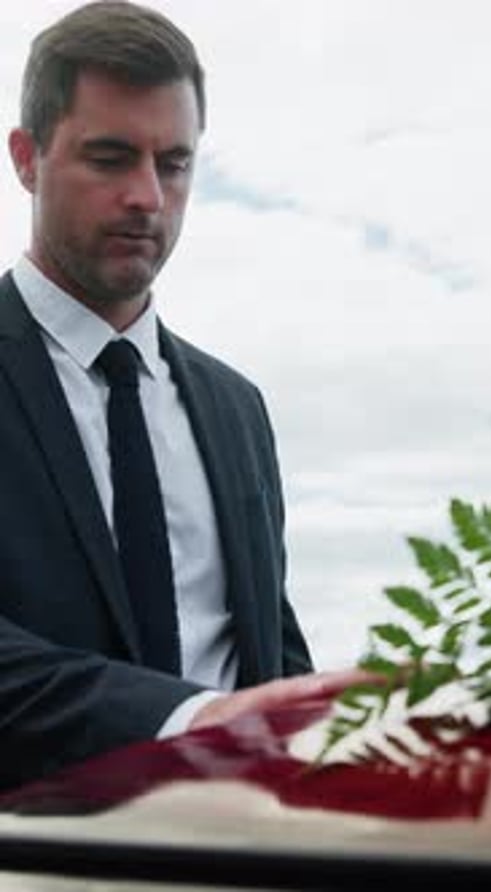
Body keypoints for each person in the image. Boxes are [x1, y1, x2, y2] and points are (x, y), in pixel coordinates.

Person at [0, 0, 368, 793]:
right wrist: (191, 720)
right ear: (26, 158)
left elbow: (270, 650)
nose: (147, 196)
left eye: (173, 164)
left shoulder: (238, 409)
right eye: (109, 158)